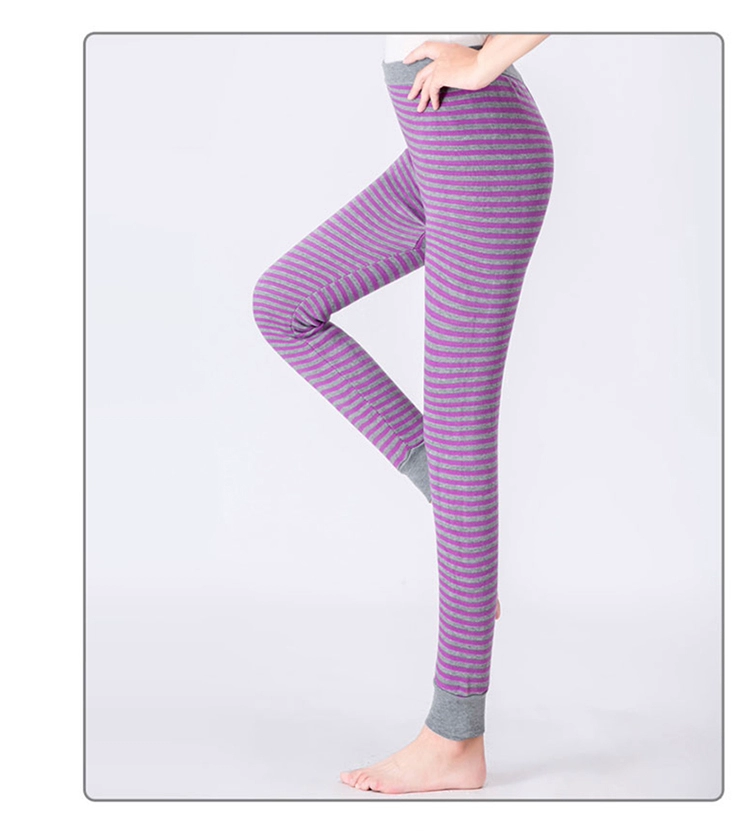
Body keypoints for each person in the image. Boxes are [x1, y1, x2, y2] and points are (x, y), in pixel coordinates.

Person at [252, 32, 553, 794]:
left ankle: (455, 736)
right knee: (284, 303)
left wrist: (482, 62)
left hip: (482, 157)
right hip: (433, 154)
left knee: (460, 433)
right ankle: (454, 507)